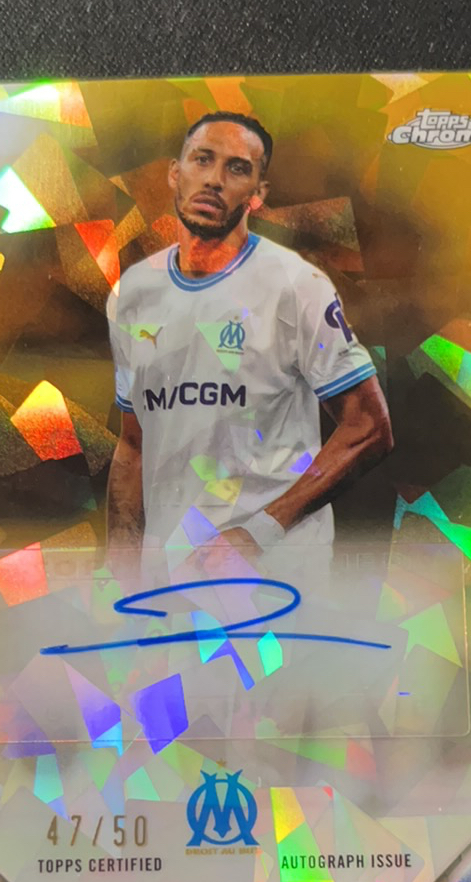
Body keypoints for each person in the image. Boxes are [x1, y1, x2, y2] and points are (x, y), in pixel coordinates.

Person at [105, 112, 392, 573]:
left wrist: (261, 532)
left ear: (258, 193)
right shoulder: (132, 293)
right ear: (175, 173)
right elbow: (134, 444)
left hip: (275, 575)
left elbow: (369, 428)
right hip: (171, 575)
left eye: (237, 169)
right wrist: (120, 571)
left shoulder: (296, 285)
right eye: (202, 160)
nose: (214, 180)